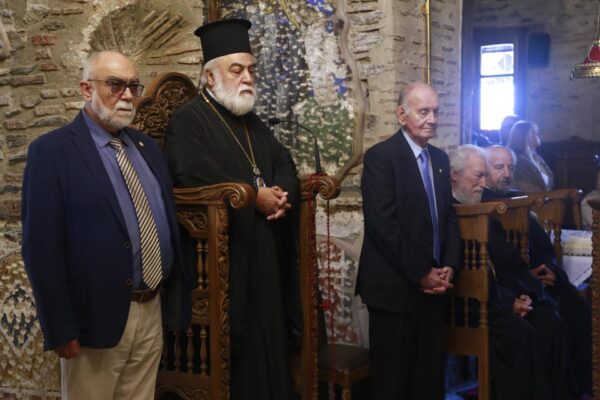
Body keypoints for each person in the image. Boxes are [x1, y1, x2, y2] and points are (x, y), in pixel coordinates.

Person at [21, 51, 191, 400]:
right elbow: (41, 249)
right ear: (87, 89)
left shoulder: (146, 148)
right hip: (93, 316)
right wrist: (60, 327)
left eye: (133, 86)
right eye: (115, 85)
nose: (127, 95)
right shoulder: (52, 152)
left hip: (151, 308)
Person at [163, 19, 301, 400]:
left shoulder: (252, 122)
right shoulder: (187, 121)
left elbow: (284, 162)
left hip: (265, 251)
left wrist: (281, 194)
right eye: (237, 70)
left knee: (272, 339)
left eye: (251, 70)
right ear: (210, 78)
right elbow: (190, 174)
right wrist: (253, 197)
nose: (248, 78)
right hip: (225, 258)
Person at [356, 82, 460, 400]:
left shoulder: (440, 159)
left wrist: (449, 265)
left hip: (434, 288)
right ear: (401, 115)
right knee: (393, 383)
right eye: (423, 111)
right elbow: (383, 227)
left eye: (436, 112)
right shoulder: (381, 158)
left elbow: (449, 218)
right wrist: (421, 272)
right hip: (393, 288)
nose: (432, 119)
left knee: (427, 380)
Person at [450, 144, 573, 400]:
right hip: (468, 305)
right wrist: (508, 303)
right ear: (454, 175)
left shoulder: (483, 211)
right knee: (519, 333)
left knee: (547, 318)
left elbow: (510, 263)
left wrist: (524, 294)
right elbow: (463, 277)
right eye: (478, 176)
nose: (483, 184)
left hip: (497, 298)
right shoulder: (446, 214)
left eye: (485, 176)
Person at [485, 145, 592, 396]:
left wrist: (551, 270)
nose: (506, 173)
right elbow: (501, 262)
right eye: (499, 167)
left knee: (576, 305)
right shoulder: (482, 206)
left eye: (510, 167)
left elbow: (543, 246)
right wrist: (524, 283)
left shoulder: (517, 201)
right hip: (514, 287)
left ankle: (581, 385)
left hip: (535, 281)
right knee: (549, 317)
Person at [507, 120, 554, 192]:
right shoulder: (516, 160)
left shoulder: (537, 158)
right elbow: (524, 187)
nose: (540, 135)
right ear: (524, 135)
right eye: (535, 132)